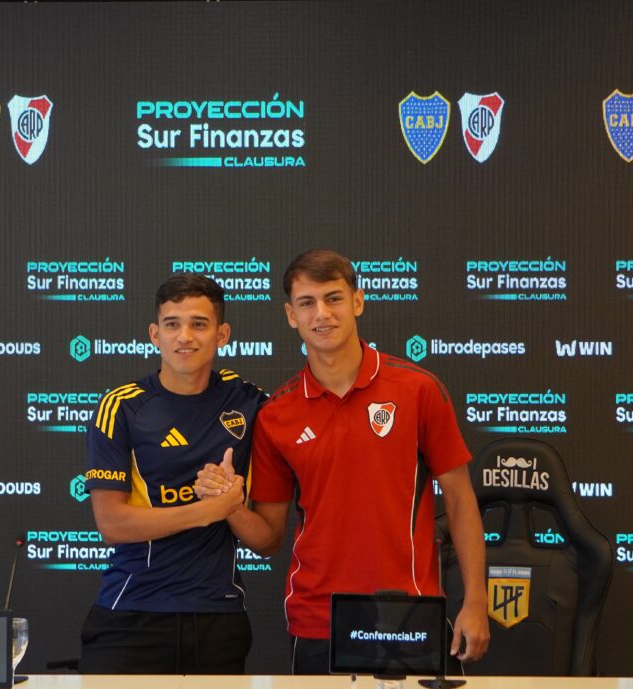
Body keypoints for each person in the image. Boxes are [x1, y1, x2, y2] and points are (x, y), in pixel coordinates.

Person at [196, 249, 490, 674]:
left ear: (357, 301)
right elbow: (268, 538)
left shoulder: (418, 389)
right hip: (317, 619)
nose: (322, 314)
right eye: (307, 302)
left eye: (333, 298)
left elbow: (461, 501)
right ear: (291, 315)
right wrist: (229, 505)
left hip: (409, 611)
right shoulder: (276, 414)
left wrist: (476, 601)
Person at [80, 273, 267, 674]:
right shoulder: (121, 407)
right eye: (172, 324)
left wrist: (232, 505)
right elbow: (111, 524)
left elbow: (267, 540)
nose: (185, 336)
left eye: (199, 324)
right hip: (132, 613)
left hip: (218, 617)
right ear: (154, 335)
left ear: (222, 335)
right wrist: (208, 510)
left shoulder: (252, 404)